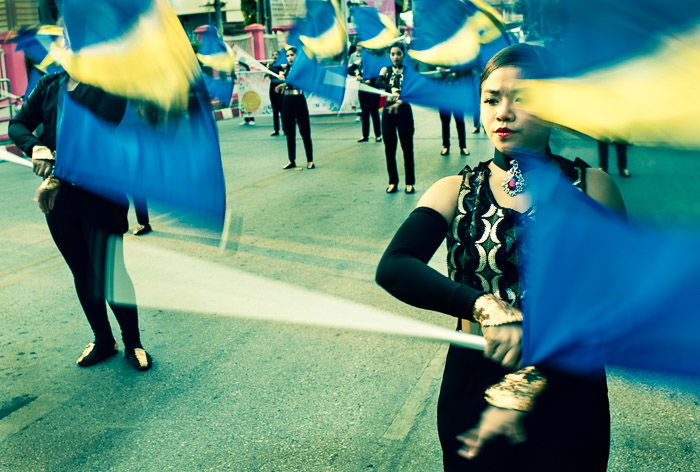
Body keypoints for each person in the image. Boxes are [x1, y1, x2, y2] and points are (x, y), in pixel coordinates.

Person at [376, 44, 625, 471]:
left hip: (566, 385)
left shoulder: (592, 188)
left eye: (521, 99)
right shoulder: (453, 190)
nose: (502, 113)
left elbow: (621, 296)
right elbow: (396, 266)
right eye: (491, 99)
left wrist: (529, 382)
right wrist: (480, 304)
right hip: (474, 381)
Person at [9, 71, 153, 371]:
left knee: (111, 271)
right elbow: (17, 123)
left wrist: (57, 172)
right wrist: (35, 146)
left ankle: (133, 342)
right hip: (60, 201)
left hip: (102, 194)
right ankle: (103, 340)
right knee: (81, 271)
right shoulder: (51, 84)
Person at [377, 43, 414, 194]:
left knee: (407, 148)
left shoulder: (409, 71)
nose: (395, 57)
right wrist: (390, 88)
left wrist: (401, 97)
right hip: (388, 112)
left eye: (398, 54)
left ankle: (410, 182)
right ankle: (393, 181)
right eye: (392, 54)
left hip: (404, 110)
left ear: (403, 55)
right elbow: (378, 82)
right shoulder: (385, 70)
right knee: (389, 148)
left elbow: (413, 87)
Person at [276, 47, 314, 170]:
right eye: (287, 56)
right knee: (289, 132)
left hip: (299, 101)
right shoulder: (286, 69)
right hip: (287, 101)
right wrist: (281, 85)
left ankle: (310, 160)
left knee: (305, 131)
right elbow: (272, 66)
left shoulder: (302, 69)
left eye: (292, 55)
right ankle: (292, 160)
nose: (289, 58)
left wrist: (284, 83)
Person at [348, 44, 382, 143]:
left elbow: (380, 77)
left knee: (374, 112)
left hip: (373, 90)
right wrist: (356, 74)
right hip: (363, 90)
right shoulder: (360, 62)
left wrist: (371, 81)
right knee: (365, 113)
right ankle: (365, 136)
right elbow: (349, 70)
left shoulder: (376, 63)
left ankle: (378, 135)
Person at [268, 50, 284, 137]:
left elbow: (280, 72)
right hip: (272, 87)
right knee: (275, 110)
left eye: (276, 55)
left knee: (282, 109)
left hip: (280, 86)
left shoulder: (282, 65)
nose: (275, 56)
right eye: (273, 55)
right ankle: (276, 130)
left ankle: (285, 129)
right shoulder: (270, 65)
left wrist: (269, 68)